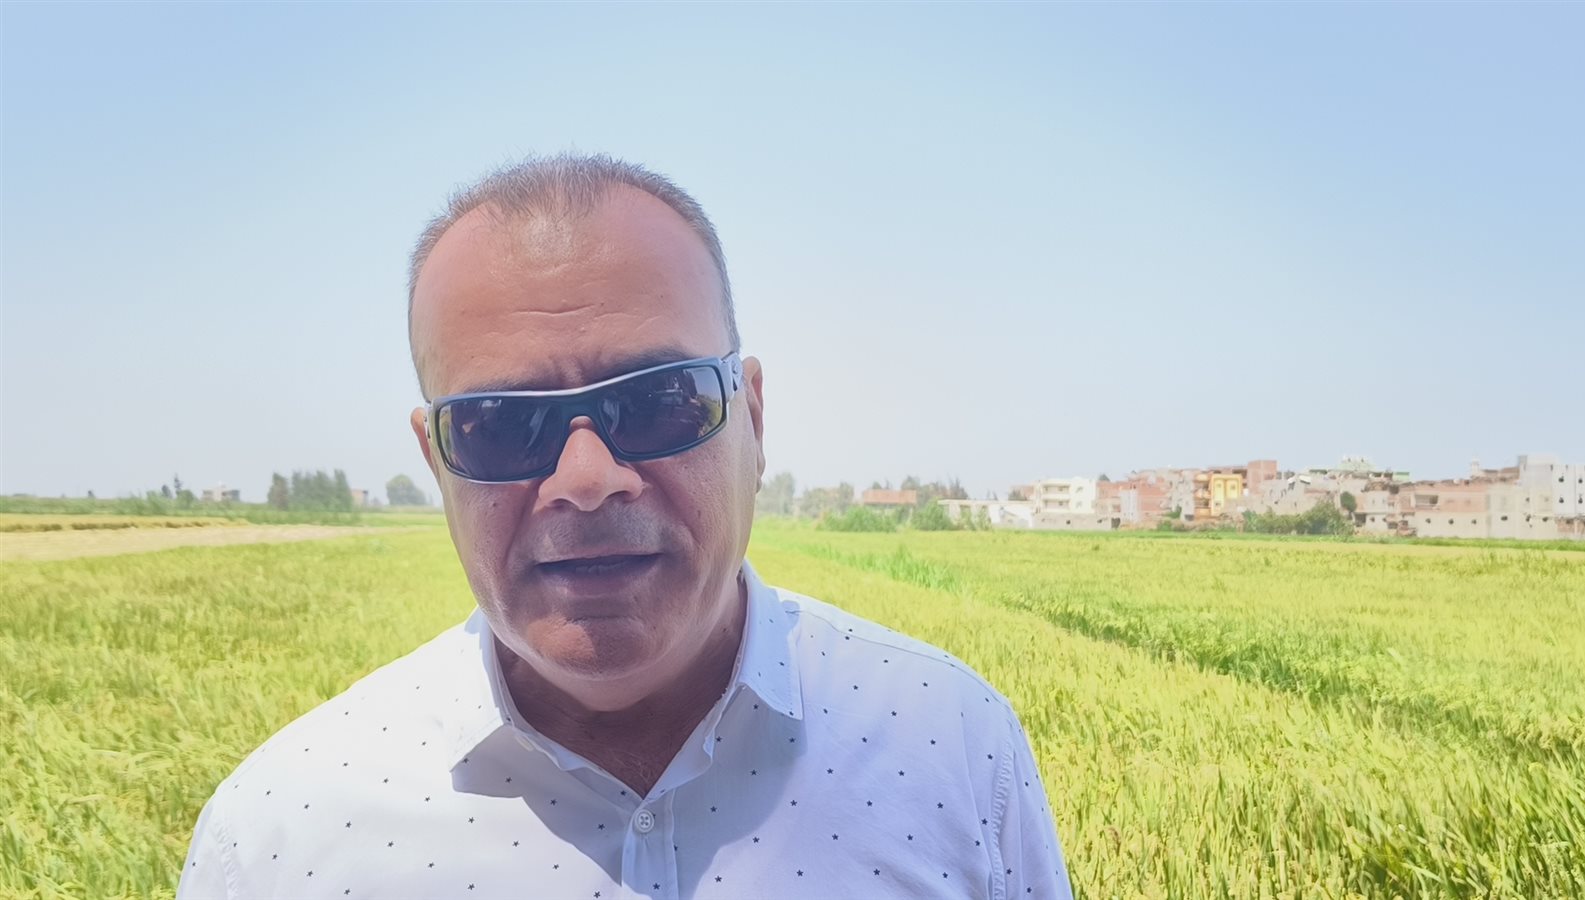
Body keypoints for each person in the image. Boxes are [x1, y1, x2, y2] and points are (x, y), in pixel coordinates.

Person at [177, 154, 1072, 899]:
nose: (586, 480)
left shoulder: (953, 744)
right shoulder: (276, 839)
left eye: (659, 401)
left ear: (754, 419)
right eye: (500, 425)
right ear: (437, 460)